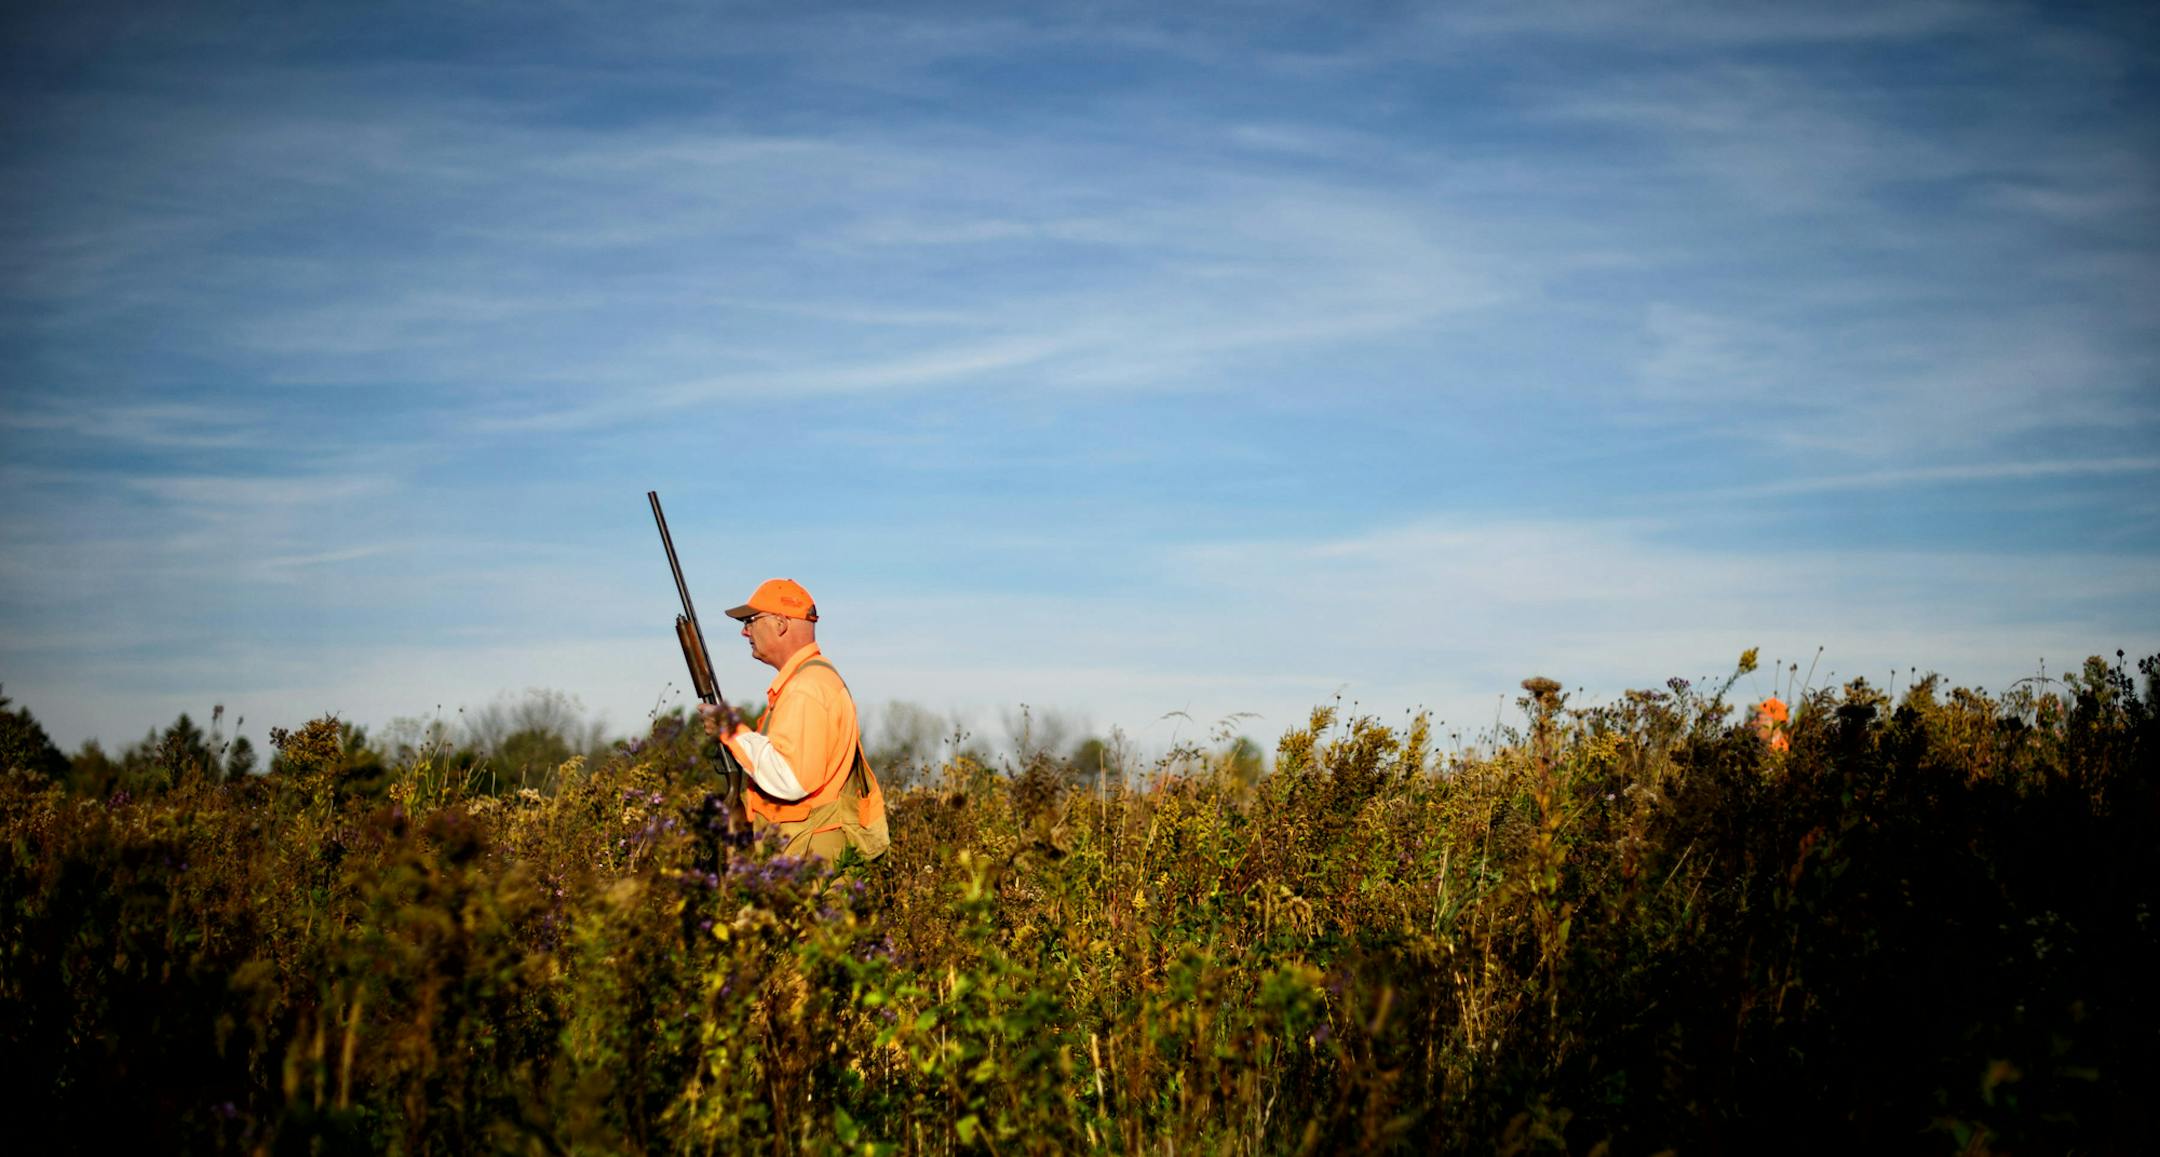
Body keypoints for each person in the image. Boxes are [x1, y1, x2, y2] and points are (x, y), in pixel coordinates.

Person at [698, 578, 889, 861]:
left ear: (780, 623)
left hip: (806, 854)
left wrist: (730, 730)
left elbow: (790, 778)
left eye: (751, 621)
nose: (744, 631)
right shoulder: (812, 680)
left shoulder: (806, 688)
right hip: (807, 846)